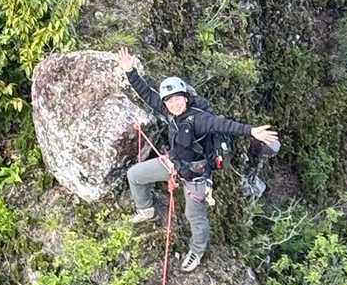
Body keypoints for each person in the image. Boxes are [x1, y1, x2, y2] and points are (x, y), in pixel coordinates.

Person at [117, 46, 280, 272]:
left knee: (195, 216)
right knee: (134, 175)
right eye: (169, 101)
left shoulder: (199, 120)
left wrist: (251, 131)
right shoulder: (169, 111)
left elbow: (222, 125)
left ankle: (197, 251)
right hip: (174, 164)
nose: (174, 104)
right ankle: (146, 209)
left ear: (185, 98)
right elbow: (147, 94)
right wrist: (130, 71)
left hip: (196, 176)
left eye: (178, 99)